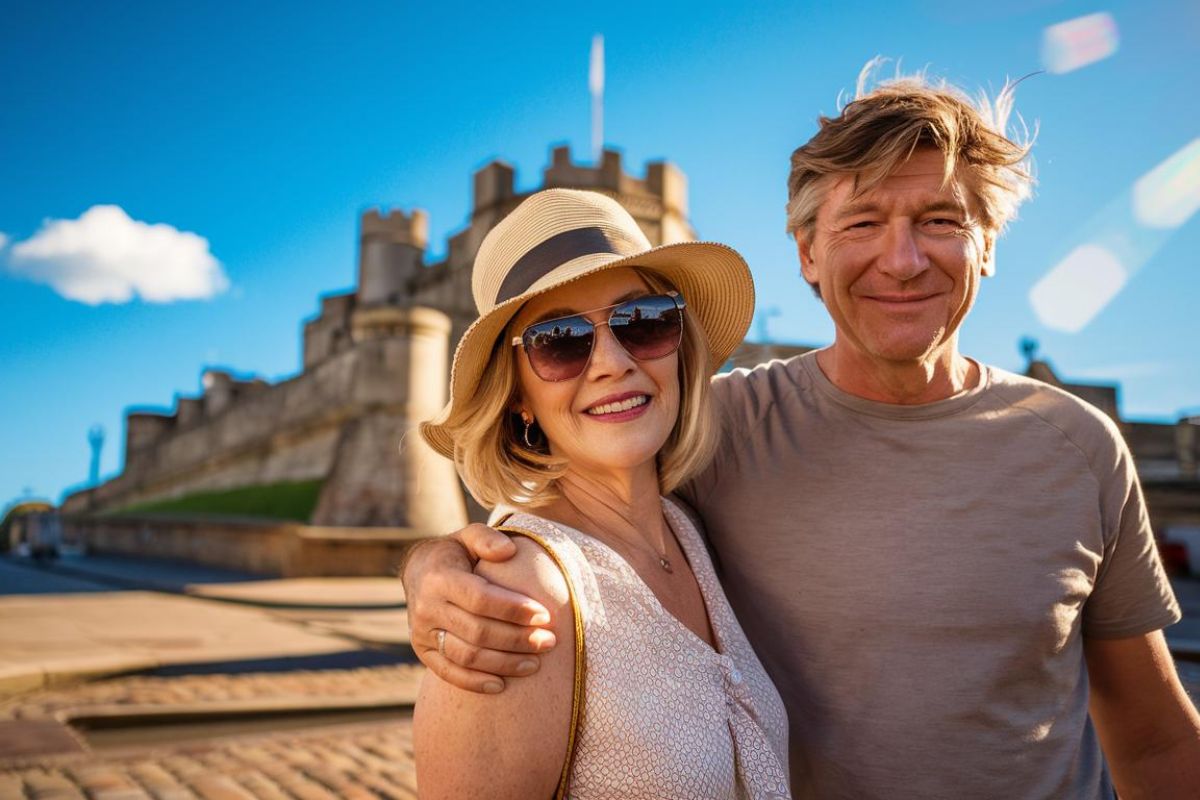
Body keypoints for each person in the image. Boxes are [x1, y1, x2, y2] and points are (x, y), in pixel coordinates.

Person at [404, 66, 1200, 798]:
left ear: (986, 244)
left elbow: (1156, 739)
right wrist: (435, 569)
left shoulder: (1080, 445)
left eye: (939, 219)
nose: (902, 259)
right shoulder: (725, 430)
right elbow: (566, 525)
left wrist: (435, 567)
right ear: (807, 253)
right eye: (861, 223)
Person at [411, 188, 791, 799]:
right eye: (559, 340)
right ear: (517, 395)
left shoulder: (689, 528)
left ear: (680, 346)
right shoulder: (516, 595)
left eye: (642, 321)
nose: (612, 362)